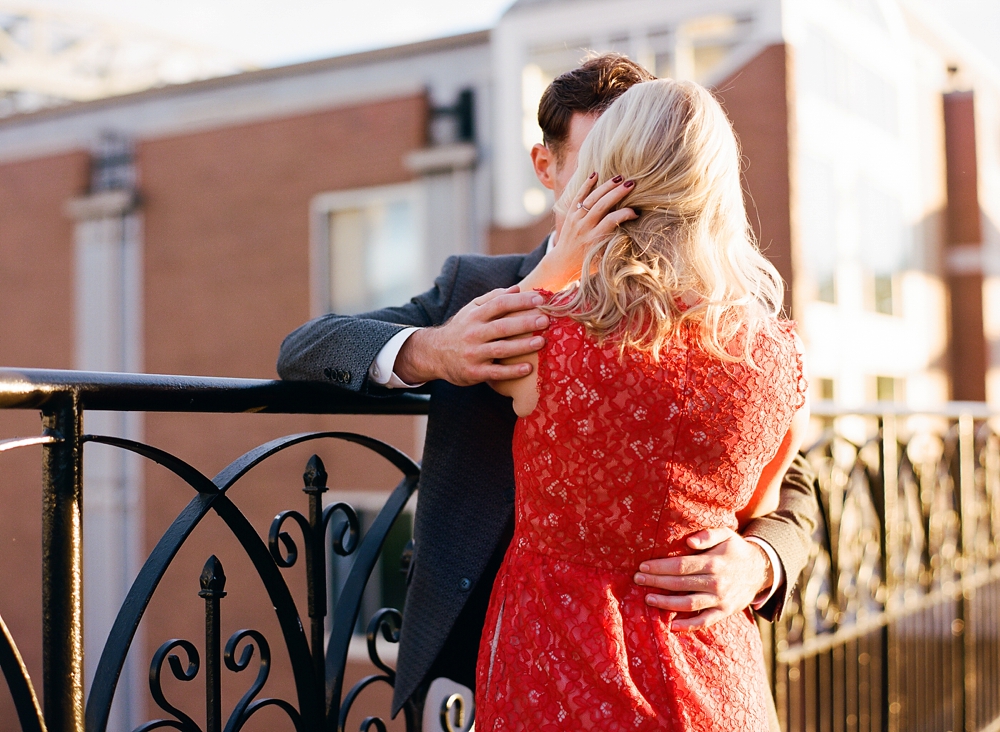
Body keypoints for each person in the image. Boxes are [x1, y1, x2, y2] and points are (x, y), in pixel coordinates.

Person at [276, 54, 818, 723]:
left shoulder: (736, 326)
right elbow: (304, 347)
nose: (623, 195)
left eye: (641, 165)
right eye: (603, 170)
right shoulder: (477, 290)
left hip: (680, 651)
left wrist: (759, 562)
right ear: (550, 170)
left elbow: (794, 483)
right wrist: (432, 350)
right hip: (480, 659)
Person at [475, 77, 809, 730]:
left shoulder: (542, 336)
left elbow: (479, 338)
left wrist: (563, 257)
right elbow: (759, 509)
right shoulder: (780, 356)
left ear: (606, 177)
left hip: (558, 677)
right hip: (712, 676)